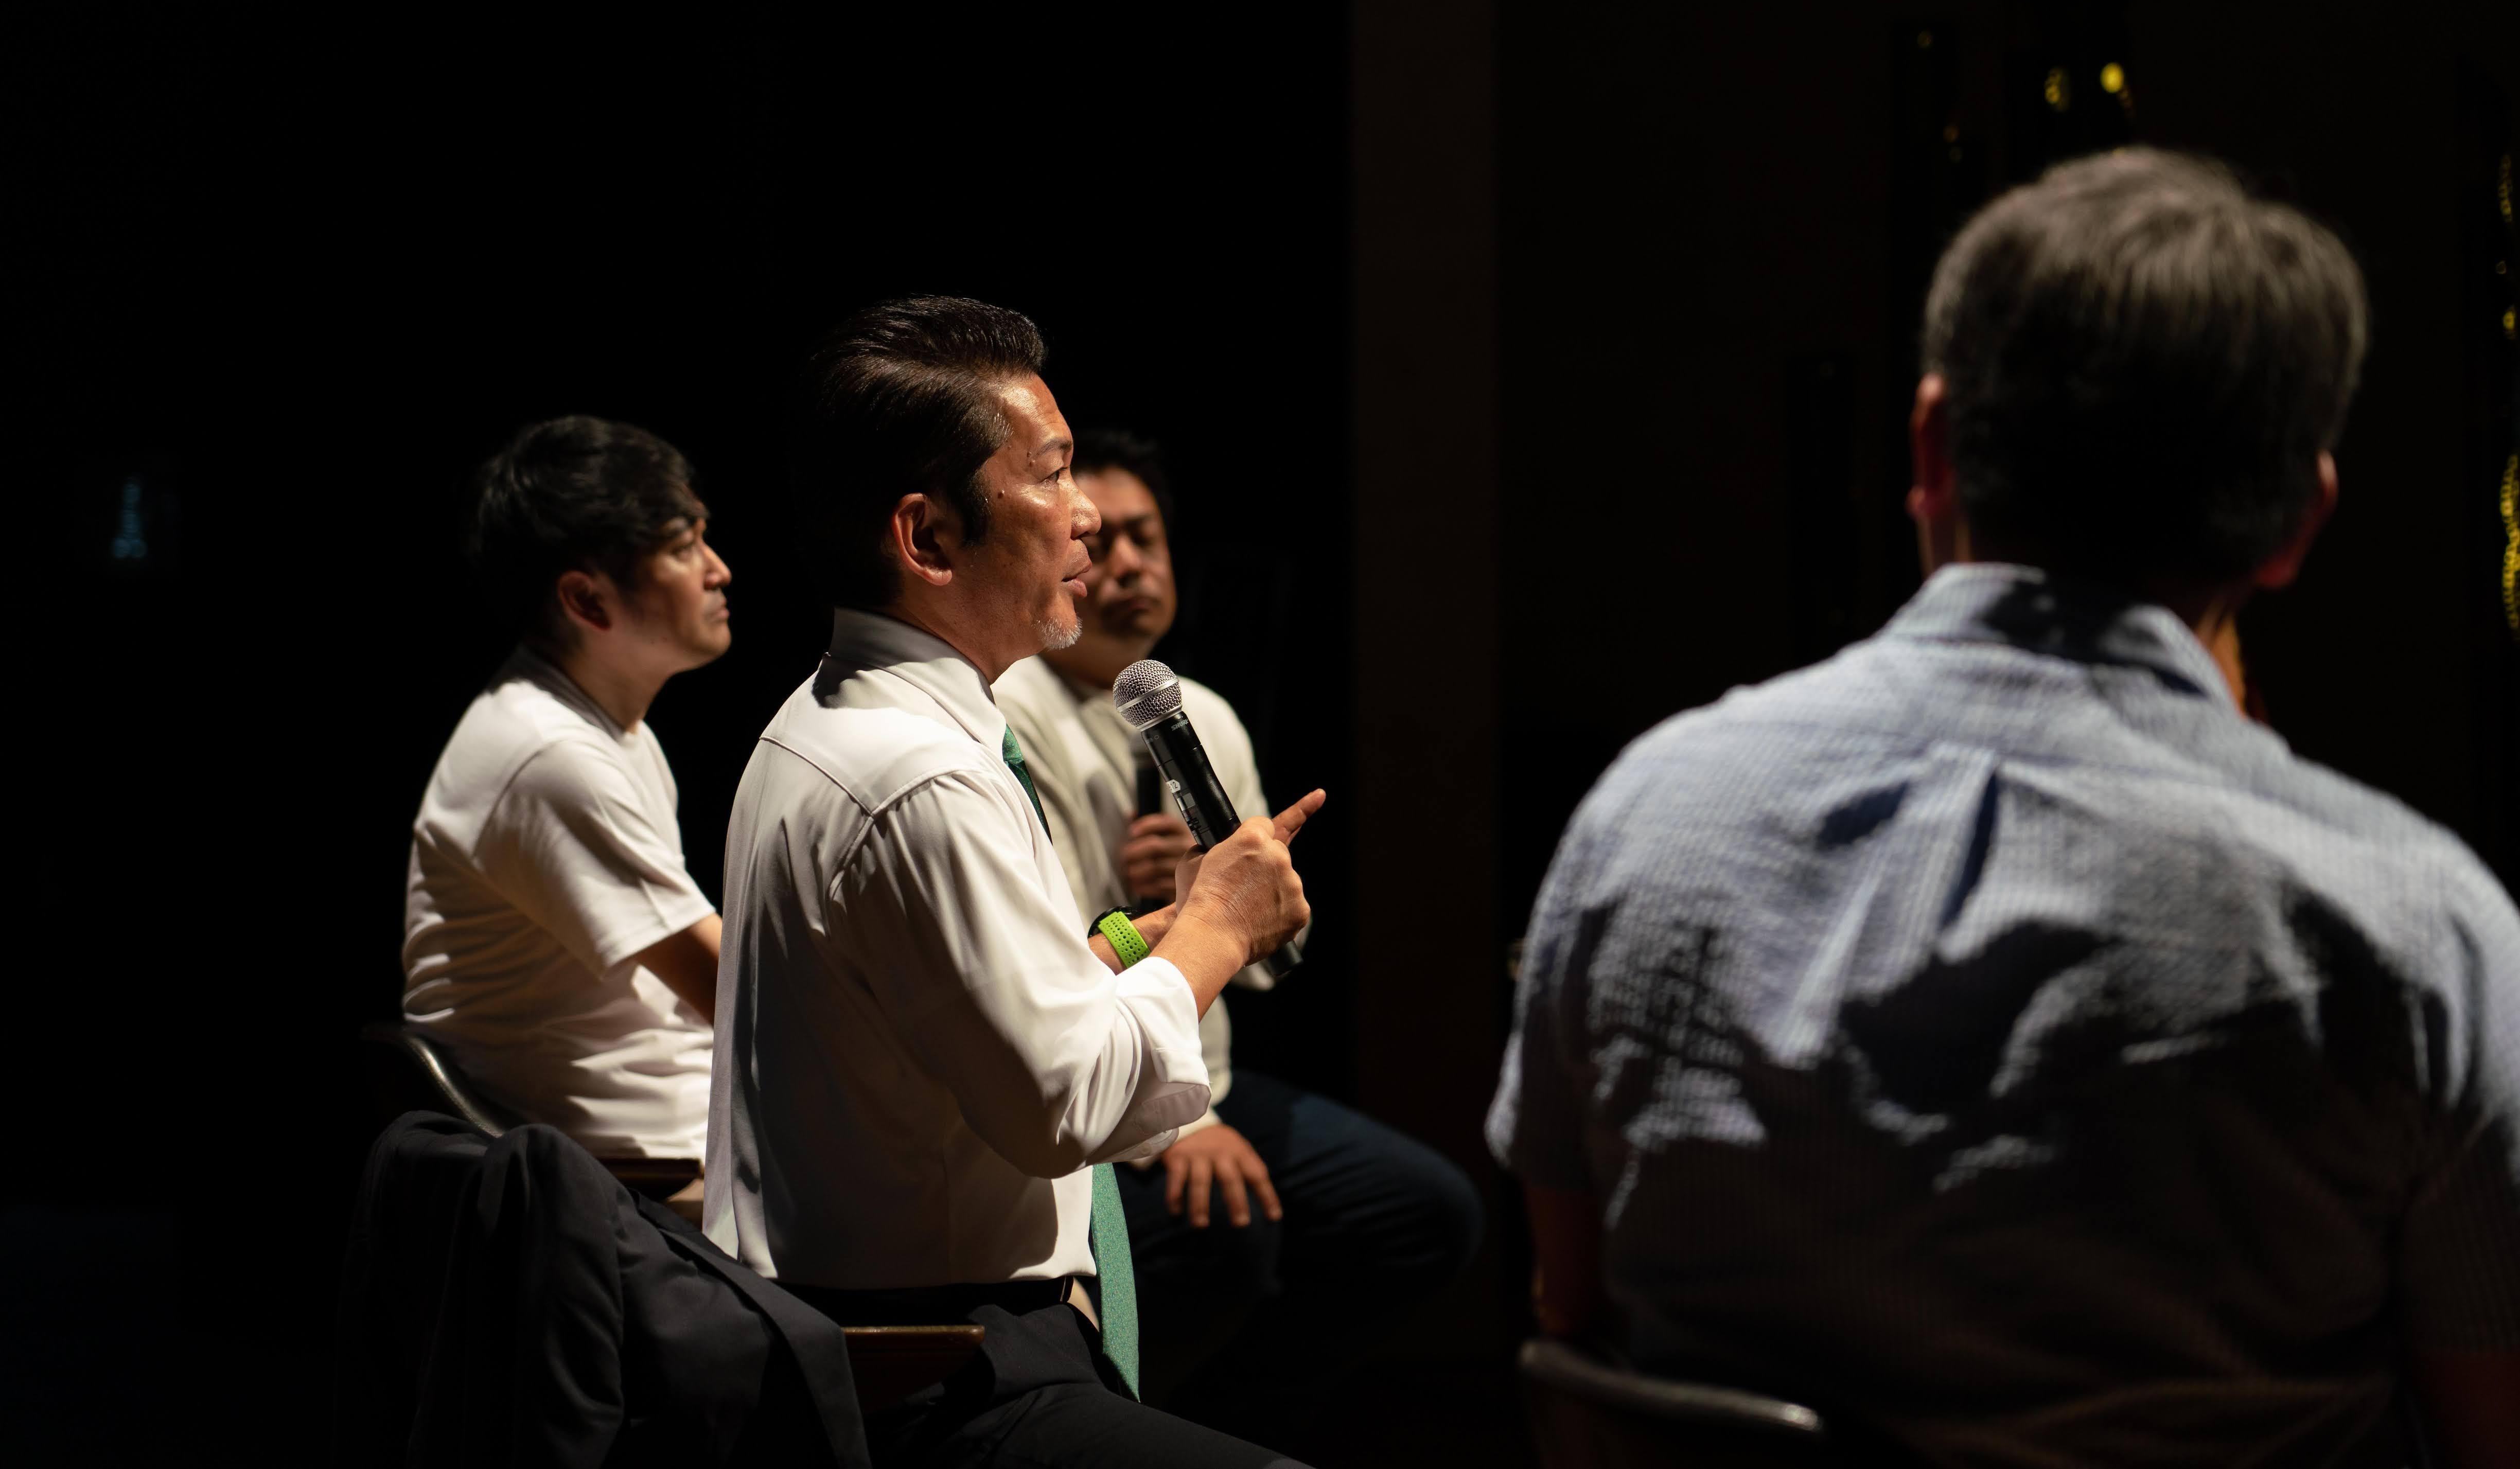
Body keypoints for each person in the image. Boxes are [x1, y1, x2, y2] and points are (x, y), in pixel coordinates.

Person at [1487, 150, 2520, 1468]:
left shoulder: (1646, 817)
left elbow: (1572, 1309)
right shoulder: (2414, 927)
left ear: (1929, 447)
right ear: (2296, 525)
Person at [706, 296, 1325, 1468]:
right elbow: (1064, 1107)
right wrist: (1216, 929)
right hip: (930, 1367)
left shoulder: (833, 717)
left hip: (898, 1332)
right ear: (929, 537)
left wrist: (1134, 943)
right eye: (1051, 473)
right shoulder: (920, 774)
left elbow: (944, 1012)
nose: (1086, 515)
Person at [995, 430, 1481, 1431]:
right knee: (1230, 1239)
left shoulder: (1197, 713)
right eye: (1101, 544)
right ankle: (1132, 1431)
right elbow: (1045, 963)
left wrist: (1233, 898)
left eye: (1148, 539)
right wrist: (1181, 1113)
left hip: (1203, 1072)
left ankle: (1219, 1426)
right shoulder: (1014, 709)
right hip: (1093, 1089)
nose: (1130, 566)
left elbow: (1275, 957)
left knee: (1428, 1212)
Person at [403, 415, 733, 1161]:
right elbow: (734, 990)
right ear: (586, 600)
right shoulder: (550, 754)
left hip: (670, 1144)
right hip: (619, 1180)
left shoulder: (604, 731)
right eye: (683, 549)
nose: (718, 570)